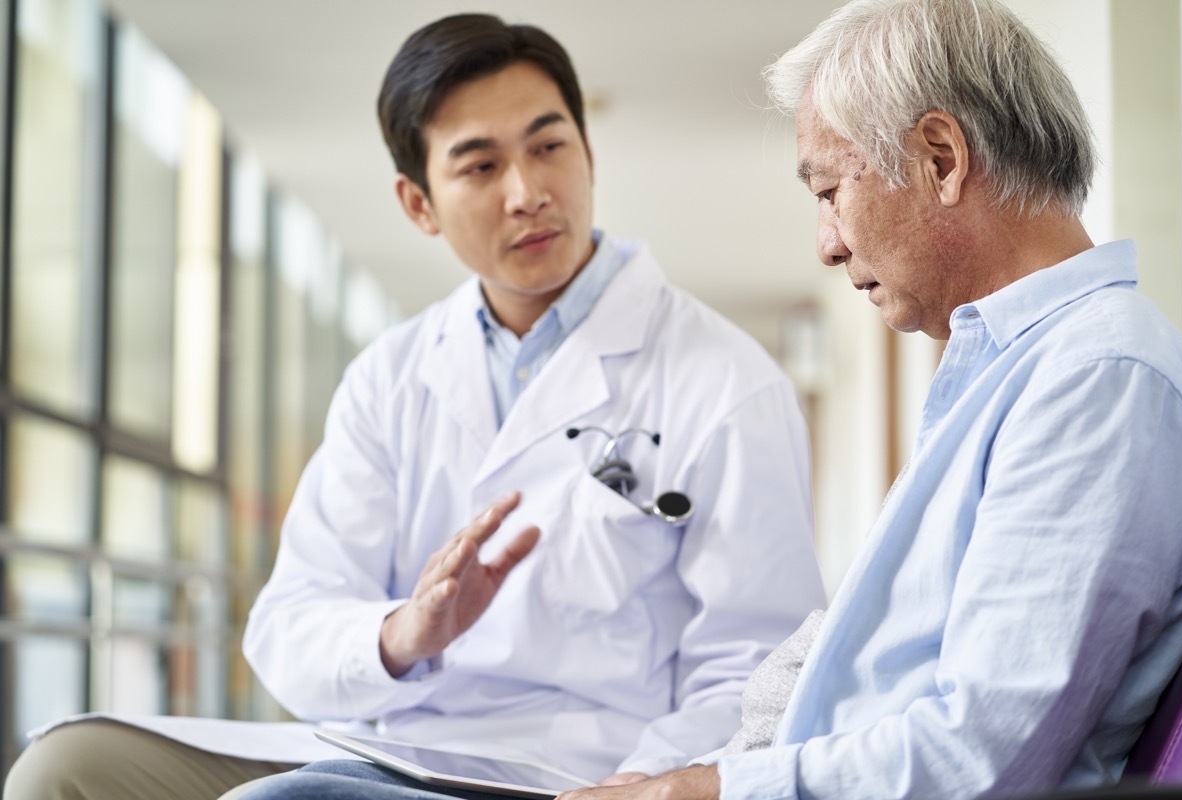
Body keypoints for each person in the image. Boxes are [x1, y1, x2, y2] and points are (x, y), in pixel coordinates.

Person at [1, 13, 827, 800]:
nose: (527, 190)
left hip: (585, 768)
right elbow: (288, 626)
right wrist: (403, 634)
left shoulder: (724, 380)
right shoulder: (390, 377)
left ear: (588, 154)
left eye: (549, 146)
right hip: (389, 747)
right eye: (479, 166)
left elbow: (757, 665)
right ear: (417, 204)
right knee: (67, 769)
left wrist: (640, 785)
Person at [537, 0, 1182, 798]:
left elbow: (979, 757)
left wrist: (695, 791)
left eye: (827, 191)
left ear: (941, 158)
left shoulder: (1099, 378)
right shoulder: (1011, 374)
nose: (826, 244)